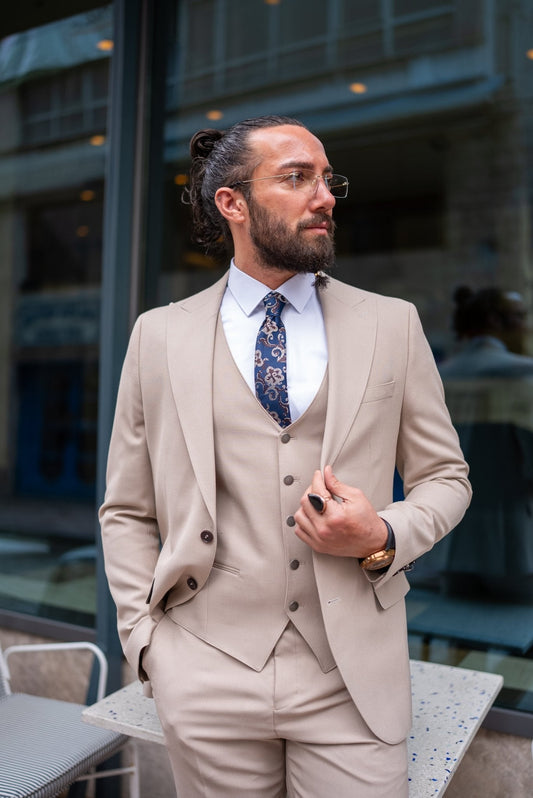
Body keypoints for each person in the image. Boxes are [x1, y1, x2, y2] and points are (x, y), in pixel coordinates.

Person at [100, 115, 471, 798]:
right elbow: (126, 508)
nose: (324, 196)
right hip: (205, 671)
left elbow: (445, 478)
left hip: (350, 679)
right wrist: (147, 644)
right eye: (297, 178)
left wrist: (382, 534)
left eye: (328, 180)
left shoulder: (391, 323)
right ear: (231, 203)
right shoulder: (158, 336)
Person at [427, 286, 533, 600]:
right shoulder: (520, 373)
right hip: (512, 539)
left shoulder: (439, 375)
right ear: (494, 321)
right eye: (519, 317)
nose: (525, 326)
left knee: (459, 637)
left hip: (448, 541)